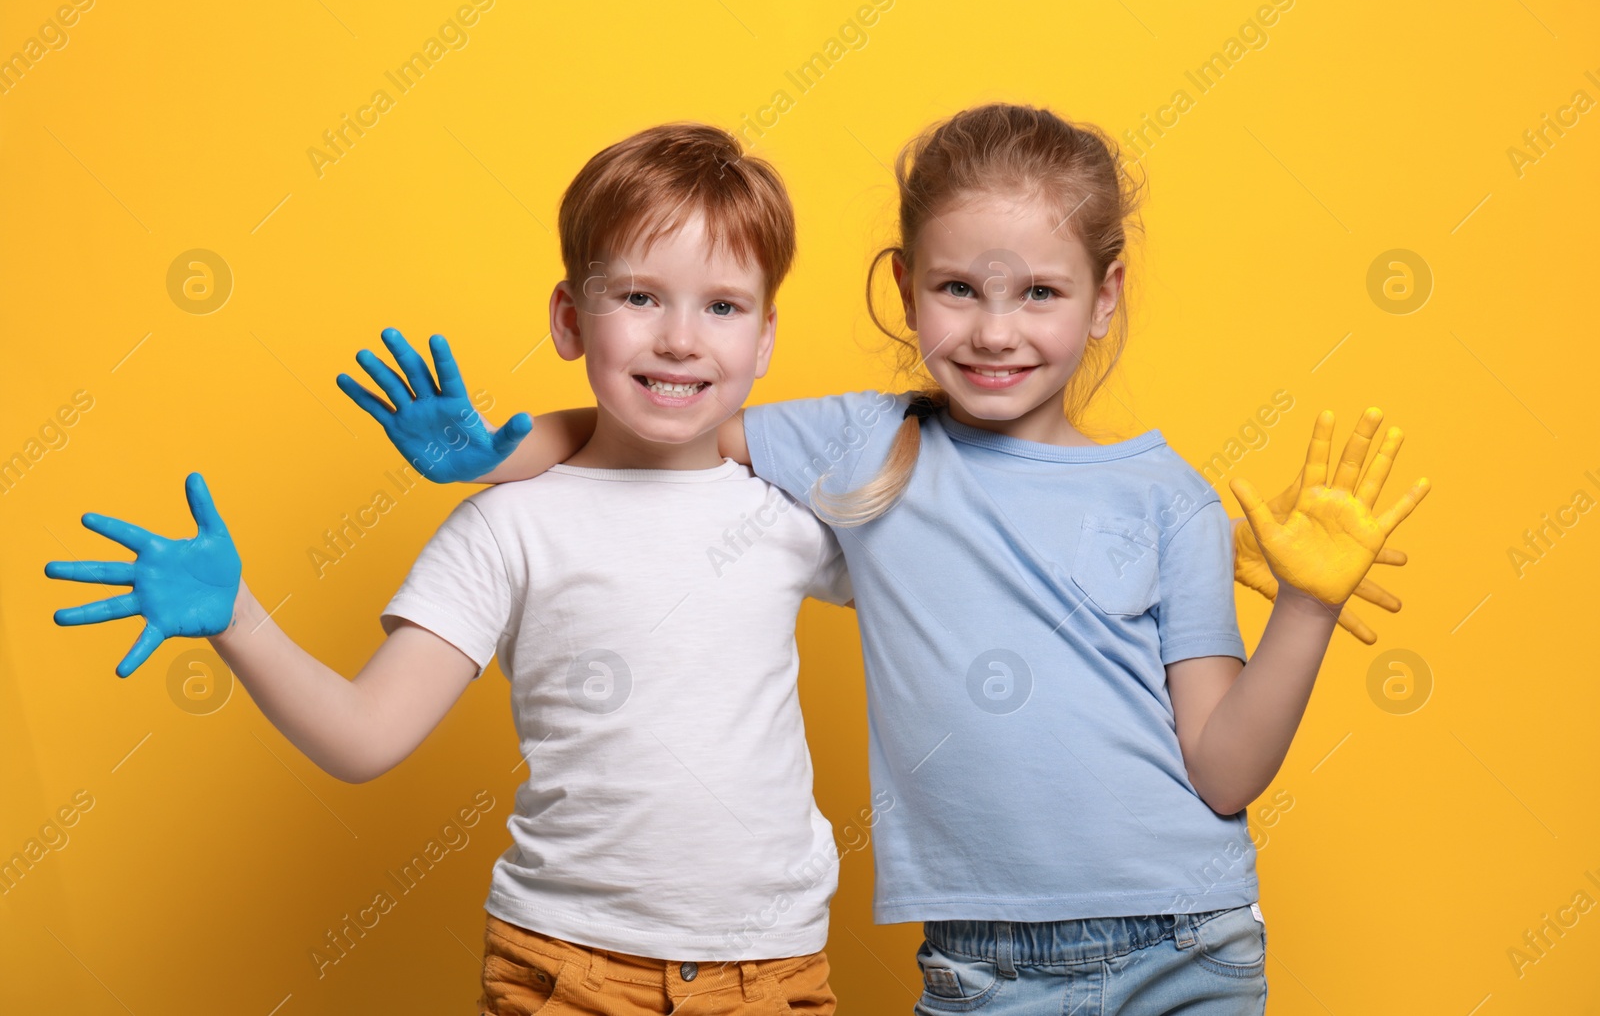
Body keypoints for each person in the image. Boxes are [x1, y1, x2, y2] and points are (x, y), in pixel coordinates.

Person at [373, 103, 1430, 1014]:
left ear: (1105, 296)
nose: (995, 329)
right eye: (959, 287)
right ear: (904, 283)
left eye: (1040, 294)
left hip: (1190, 942)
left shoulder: (1173, 498)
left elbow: (1223, 767)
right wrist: (493, 456)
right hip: (983, 967)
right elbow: (664, 427)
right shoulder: (861, 441)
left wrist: (1303, 605)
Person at [45, 123, 852, 1015]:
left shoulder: (789, 509)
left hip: (769, 970)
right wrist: (239, 616)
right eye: (639, 296)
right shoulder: (508, 525)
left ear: (767, 336)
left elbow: (940, 521)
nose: (679, 338)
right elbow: (365, 735)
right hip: (564, 968)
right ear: (569, 320)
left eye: (723, 307)